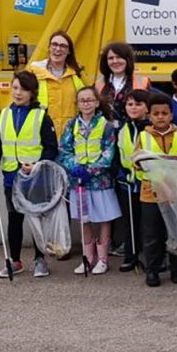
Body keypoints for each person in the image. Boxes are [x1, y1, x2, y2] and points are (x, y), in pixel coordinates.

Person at [0, 70, 59, 279]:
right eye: (15, 88)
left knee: (37, 219)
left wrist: (36, 165)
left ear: (32, 92)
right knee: (14, 220)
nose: (18, 93)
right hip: (11, 176)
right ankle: (15, 260)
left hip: (35, 178)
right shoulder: (3, 115)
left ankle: (40, 260)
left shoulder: (41, 116)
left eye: (24, 89)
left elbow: (51, 147)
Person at [59, 86, 122, 275]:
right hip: (79, 181)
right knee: (84, 219)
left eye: (89, 100)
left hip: (101, 181)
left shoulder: (107, 126)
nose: (86, 104)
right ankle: (87, 258)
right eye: (82, 100)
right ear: (77, 104)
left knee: (104, 218)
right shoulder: (71, 125)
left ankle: (102, 259)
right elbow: (64, 149)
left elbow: (109, 153)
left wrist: (91, 170)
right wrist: (74, 167)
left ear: (96, 103)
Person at [135, 93, 177, 287]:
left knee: (176, 232)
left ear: (171, 115)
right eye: (156, 113)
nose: (160, 117)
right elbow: (136, 162)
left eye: (164, 113)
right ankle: (153, 270)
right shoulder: (143, 136)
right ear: (149, 115)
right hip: (150, 194)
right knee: (152, 235)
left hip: (174, 193)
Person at [113, 89, 151, 271]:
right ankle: (131, 255)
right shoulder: (123, 129)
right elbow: (117, 153)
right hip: (128, 182)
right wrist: (120, 172)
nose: (133, 108)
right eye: (130, 104)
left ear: (147, 107)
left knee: (150, 222)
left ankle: (154, 258)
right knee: (130, 221)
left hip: (148, 182)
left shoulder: (151, 128)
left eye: (138, 104)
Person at [27, 30, 86, 136]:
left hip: (69, 136)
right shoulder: (34, 72)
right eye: (54, 44)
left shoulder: (77, 74)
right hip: (41, 133)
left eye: (63, 46)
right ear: (49, 47)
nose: (58, 49)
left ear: (69, 51)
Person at [96, 42, 151, 122]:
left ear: (128, 59)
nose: (115, 61)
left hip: (133, 128)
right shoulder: (99, 84)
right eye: (111, 58)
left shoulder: (142, 82)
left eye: (119, 57)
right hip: (105, 128)